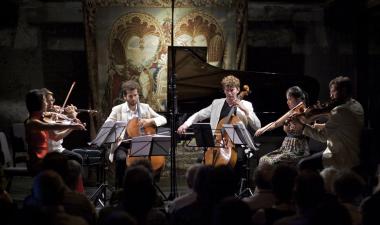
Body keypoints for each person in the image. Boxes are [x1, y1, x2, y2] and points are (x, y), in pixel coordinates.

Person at [177, 75, 261, 176]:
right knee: (200, 163)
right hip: (217, 143)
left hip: (238, 145)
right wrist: (185, 125)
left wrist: (245, 111)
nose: (229, 93)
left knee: (237, 162)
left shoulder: (247, 104)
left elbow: (257, 126)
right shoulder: (217, 103)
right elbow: (199, 115)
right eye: (227, 90)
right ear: (224, 90)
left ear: (238, 90)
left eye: (232, 90)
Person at [104, 80, 167, 188]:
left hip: (143, 143)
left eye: (135, 95)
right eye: (130, 96)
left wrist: (150, 121)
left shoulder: (145, 107)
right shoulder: (117, 110)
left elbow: (163, 119)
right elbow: (107, 125)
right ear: (125, 97)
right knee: (121, 159)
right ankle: (120, 188)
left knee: (155, 160)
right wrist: (119, 127)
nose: (133, 99)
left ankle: (149, 187)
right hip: (123, 145)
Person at [293, 76, 364, 171]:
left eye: (333, 91)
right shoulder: (356, 105)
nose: (331, 95)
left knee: (303, 164)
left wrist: (302, 127)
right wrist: (319, 125)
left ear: (343, 91)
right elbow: (343, 127)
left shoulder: (340, 110)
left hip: (340, 157)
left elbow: (322, 137)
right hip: (352, 153)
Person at [24, 89, 85, 175]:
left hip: (45, 158)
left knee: (69, 163)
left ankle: (66, 186)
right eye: (45, 101)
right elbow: (52, 126)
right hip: (38, 161)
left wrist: (69, 119)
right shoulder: (32, 122)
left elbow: (53, 126)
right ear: (38, 103)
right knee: (67, 163)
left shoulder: (41, 118)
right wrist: (71, 125)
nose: (47, 104)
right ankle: (62, 186)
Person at [255, 86, 310, 168]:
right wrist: (263, 129)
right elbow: (276, 123)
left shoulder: (305, 113)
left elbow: (307, 128)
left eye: (290, 99)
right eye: (287, 99)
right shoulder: (292, 112)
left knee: (271, 163)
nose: (287, 102)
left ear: (298, 99)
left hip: (298, 149)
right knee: (263, 160)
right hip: (285, 148)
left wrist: (300, 119)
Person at [41, 88, 84, 165]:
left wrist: (70, 117)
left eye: (52, 100)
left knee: (77, 156)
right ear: (42, 102)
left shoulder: (52, 115)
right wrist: (72, 126)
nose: (51, 103)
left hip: (58, 149)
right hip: (50, 152)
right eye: (47, 101)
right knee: (77, 158)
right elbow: (56, 137)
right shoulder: (42, 117)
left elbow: (61, 126)